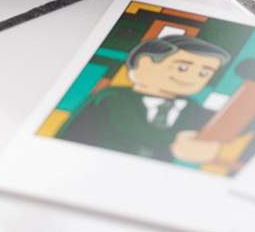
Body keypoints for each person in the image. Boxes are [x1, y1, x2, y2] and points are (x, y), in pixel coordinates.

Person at [56, 36, 232, 164]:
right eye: (182, 68)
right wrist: (175, 143)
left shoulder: (190, 107)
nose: (192, 78)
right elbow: (133, 129)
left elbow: (222, 122)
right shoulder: (112, 97)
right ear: (145, 64)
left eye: (204, 73)